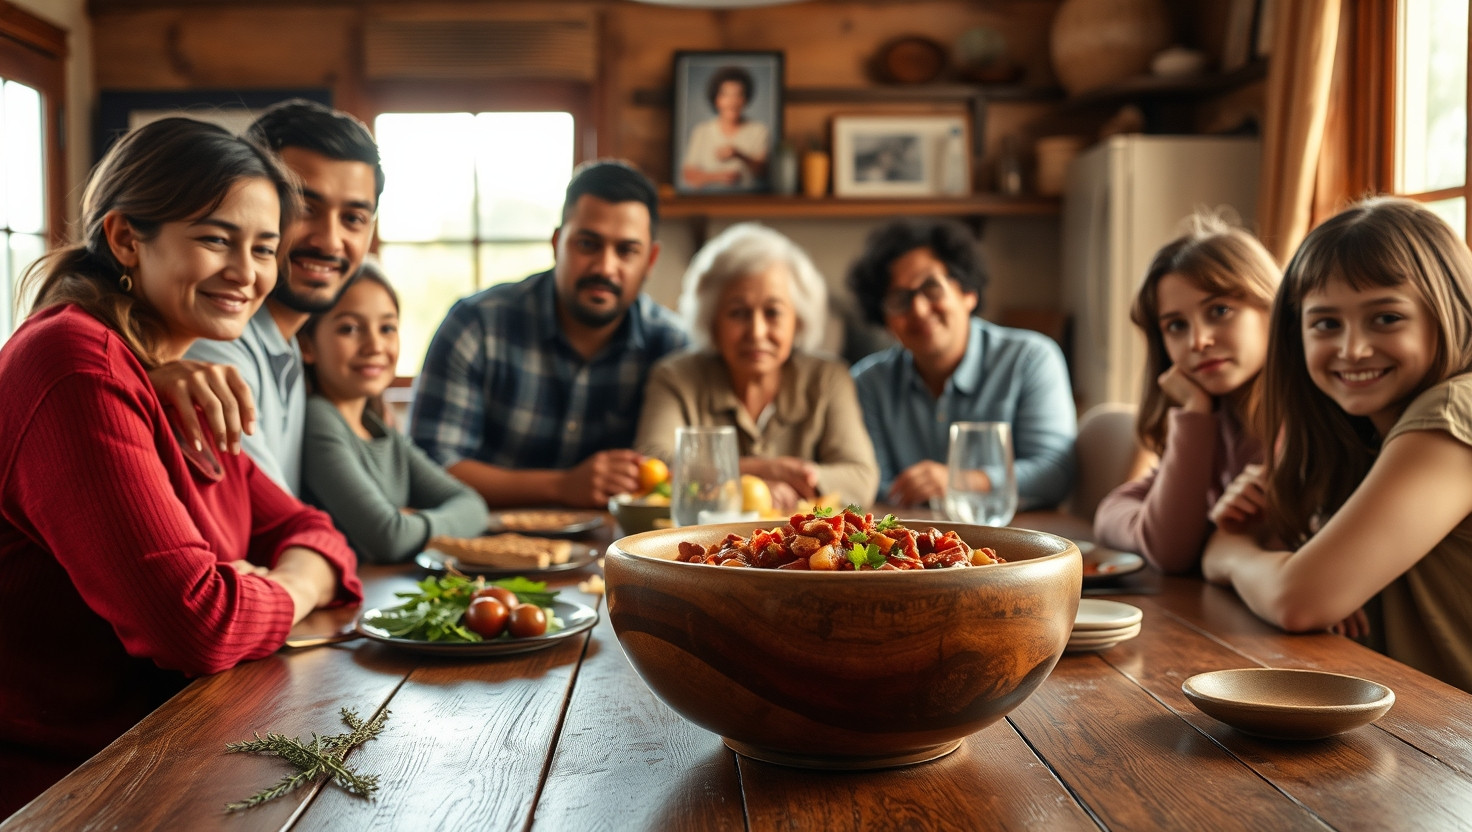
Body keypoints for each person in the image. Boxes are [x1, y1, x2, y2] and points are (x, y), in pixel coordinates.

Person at [0, 118, 363, 815]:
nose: (248, 273)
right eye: (215, 238)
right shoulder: (75, 364)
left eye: (263, 248)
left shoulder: (175, 377)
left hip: (169, 757)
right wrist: (293, 594)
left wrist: (276, 578)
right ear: (126, 237)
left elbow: (317, 531)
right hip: (60, 792)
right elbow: (195, 622)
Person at [1202, 197, 1472, 692]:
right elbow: (1298, 569)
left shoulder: (1455, 410)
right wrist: (1267, 541)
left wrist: (1230, 552)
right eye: (1326, 323)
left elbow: (1298, 599)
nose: (1353, 349)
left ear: (1448, 311)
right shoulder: (1357, 432)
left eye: (1386, 318)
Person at [411, 160, 689, 509]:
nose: (605, 267)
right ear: (557, 243)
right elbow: (427, 469)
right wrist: (561, 486)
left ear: (650, 260)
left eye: (626, 251)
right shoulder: (476, 325)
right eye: (588, 244)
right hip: (480, 546)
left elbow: (687, 473)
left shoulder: (673, 346)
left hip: (617, 555)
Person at [177, 99, 383, 496]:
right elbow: (274, 522)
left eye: (353, 219)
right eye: (305, 207)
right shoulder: (216, 346)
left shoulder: (290, 349)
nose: (329, 242)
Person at [635, 223, 879, 509]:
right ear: (712, 321)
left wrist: (749, 478)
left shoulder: (828, 378)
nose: (757, 332)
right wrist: (764, 472)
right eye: (738, 313)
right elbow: (654, 465)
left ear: (797, 321)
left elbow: (861, 478)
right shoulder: (675, 377)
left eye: (773, 312)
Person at [1092, 216, 1279, 574]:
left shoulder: (1298, 423)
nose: (1198, 341)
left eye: (1220, 311)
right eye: (1176, 325)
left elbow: (1169, 550)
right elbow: (1112, 512)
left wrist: (1199, 535)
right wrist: (1195, 412)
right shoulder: (1219, 419)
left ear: (1271, 307)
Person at [848, 219, 1076, 510]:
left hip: (1016, 539)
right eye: (899, 299)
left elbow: (1055, 472)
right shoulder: (868, 382)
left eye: (932, 288)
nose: (918, 309)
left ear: (968, 293)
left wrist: (960, 481)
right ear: (884, 320)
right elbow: (870, 483)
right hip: (909, 547)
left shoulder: (1030, 360)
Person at [299, 260, 489, 563]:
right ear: (307, 344)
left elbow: (474, 507)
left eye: (387, 328)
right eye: (349, 328)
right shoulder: (320, 420)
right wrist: (424, 526)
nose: (375, 345)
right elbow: (389, 538)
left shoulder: (379, 429)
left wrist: (413, 523)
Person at [680, 65, 770, 190]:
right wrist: (717, 177)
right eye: (726, 95)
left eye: (738, 95)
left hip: (748, 203)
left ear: (745, 99)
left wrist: (739, 155)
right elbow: (688, 175)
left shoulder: (759, 130)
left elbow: (764, 172)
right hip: (707, 202)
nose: (732, 101)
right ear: (716, 99)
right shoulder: (702, 131)